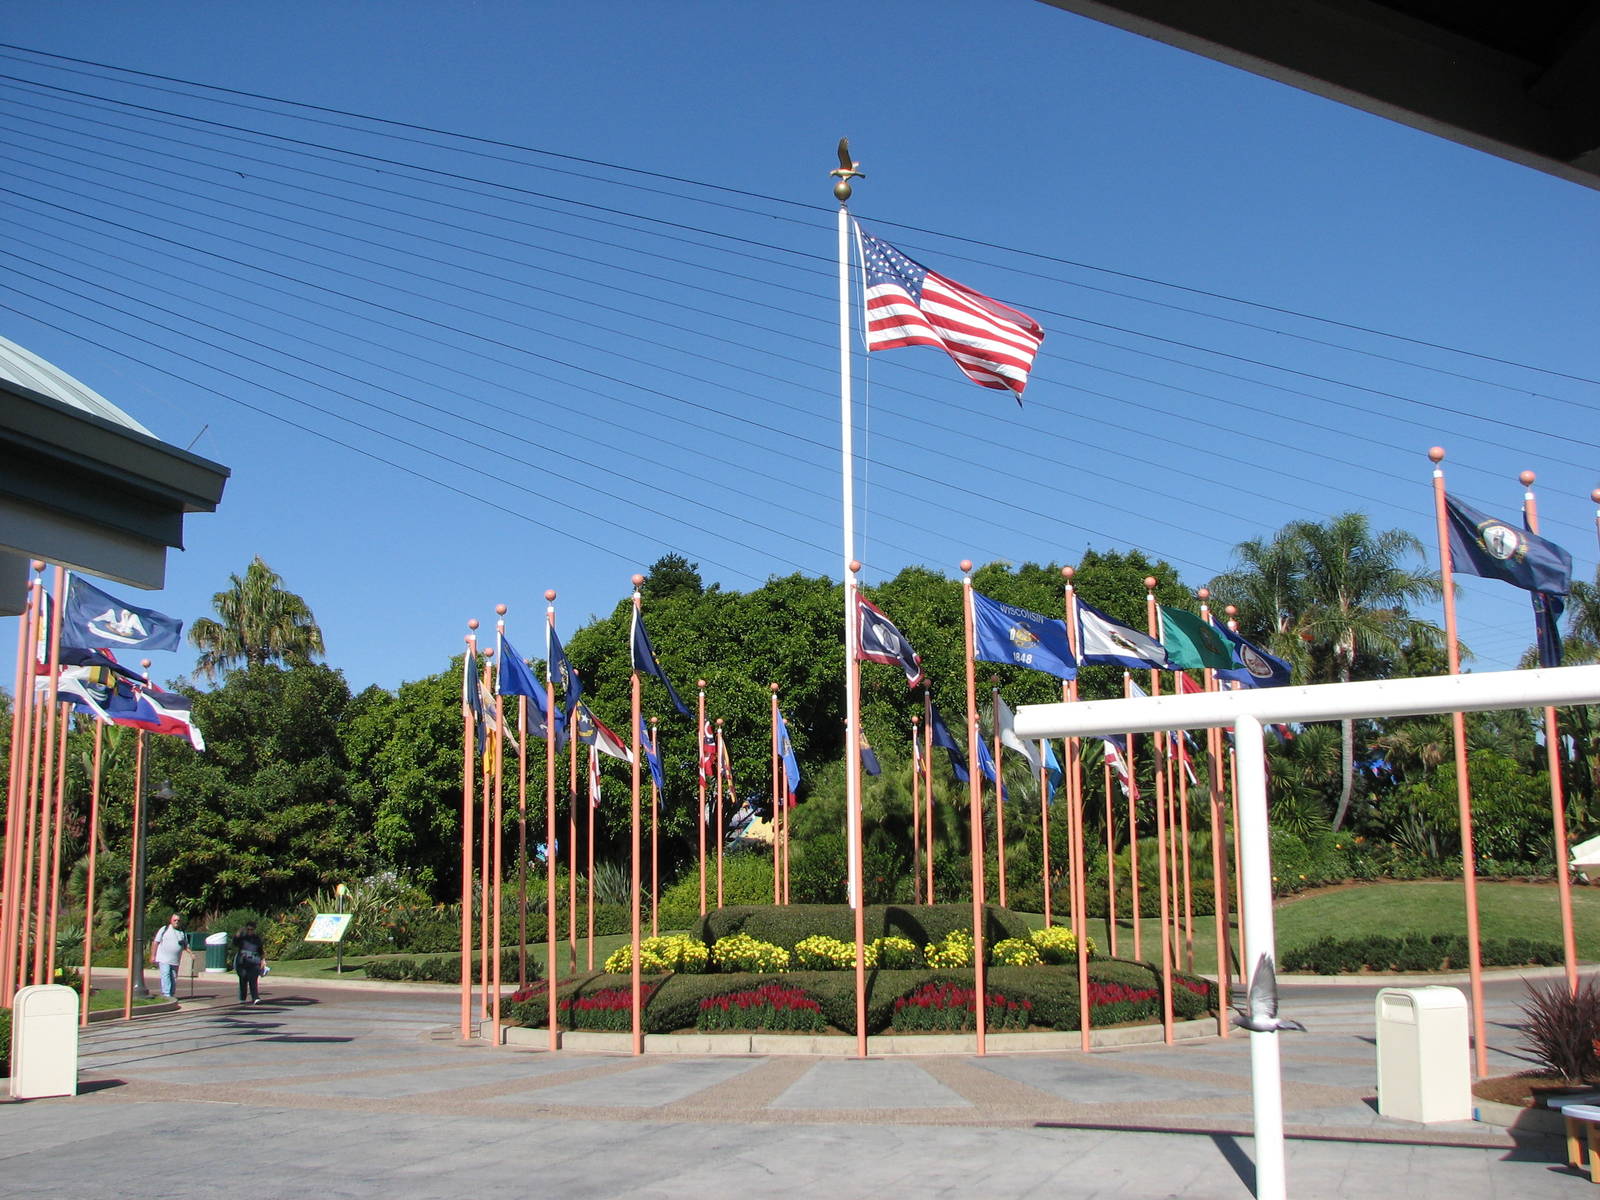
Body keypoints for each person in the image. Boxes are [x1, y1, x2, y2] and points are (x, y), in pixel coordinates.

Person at [150, 913, 189, 999]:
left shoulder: (182, 932)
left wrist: (191, 953)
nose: (176, 922)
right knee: (166, 974)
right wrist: (153, 955)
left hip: (175, 960)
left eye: (178, 920)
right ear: (171, 921)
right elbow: (156, 942)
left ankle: (171, 994)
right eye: (175, 920)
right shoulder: (164, 929)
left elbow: (185, 946)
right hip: (163, 959)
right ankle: (166, 994)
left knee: (173, 977)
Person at [234, 921, 266, 1005]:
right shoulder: (242, 938)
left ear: (254, 929)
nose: (249, 931)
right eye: (248, 929)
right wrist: (237, 934)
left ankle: (255, 998)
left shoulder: (257, 939)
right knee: (243, 979)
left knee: (253, 980)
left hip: (254, 961)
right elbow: (235, 943)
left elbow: (260, 950)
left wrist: (263, 960)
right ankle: (242, 997)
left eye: (251, 929)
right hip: (242, 961)